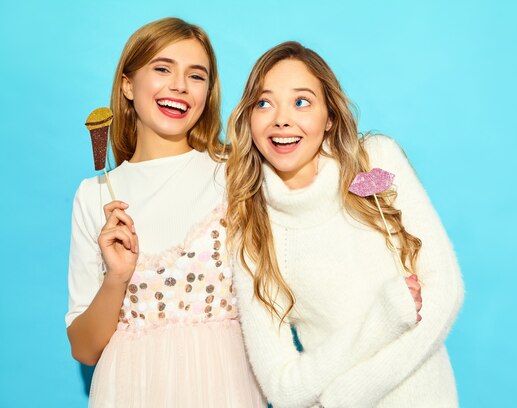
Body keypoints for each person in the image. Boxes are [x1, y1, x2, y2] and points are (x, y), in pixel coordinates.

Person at [225, 41, 464, 408]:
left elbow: (445, 293)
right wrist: (384, 318)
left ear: (330, 117)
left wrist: (354, 391)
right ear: (249, 119)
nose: (281, 119)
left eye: (301, 102)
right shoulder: (253, 229)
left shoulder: (377, 161)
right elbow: (282, 387)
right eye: (264, 103)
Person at [66, 17, 265, 407]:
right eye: (162, 69)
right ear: (127, 84)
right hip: (129, 391)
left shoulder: (234, 175)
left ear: (208, 92)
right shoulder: (94, 196)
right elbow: (84, 349)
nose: (179, 85)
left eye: (196, 76)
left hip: (223, 388)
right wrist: (116, 278)